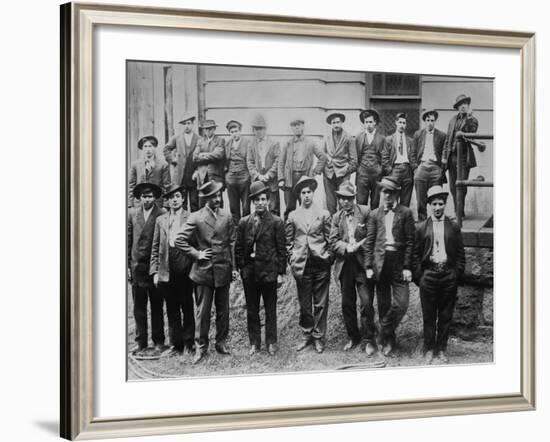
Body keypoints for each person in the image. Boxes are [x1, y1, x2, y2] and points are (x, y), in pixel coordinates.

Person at [175, 181, 238, 364]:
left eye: (219, 196)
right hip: (203, 272)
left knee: (223, 311)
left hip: (223, 270)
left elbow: (232, 243)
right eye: (213, 197)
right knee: (202, 312)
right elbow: (179, 240)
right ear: (206, 198)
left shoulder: (226, 216)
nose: (217, 199)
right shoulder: (196, 217)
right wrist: (197, 254)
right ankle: (201, 347)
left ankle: (221, 343)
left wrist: (233, 268)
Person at [414, 186, 465, 364]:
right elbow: (415, 254)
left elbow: (460, 254)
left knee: (445, 315)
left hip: (448, 275)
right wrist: (419, 277)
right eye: (434, 204)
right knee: (429, 315)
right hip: (428, 275)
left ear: (445, 204)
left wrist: (456, 274)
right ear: (429, 205)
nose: (437, 207)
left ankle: (441, 349)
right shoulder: (421, 228)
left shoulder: (453, 227)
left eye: (440, 203)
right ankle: (429, 349)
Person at [365, 176, 415, 356]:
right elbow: (369, 242)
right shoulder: (374, 214)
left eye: (391, 192)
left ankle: (382, 330)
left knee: (402, 303)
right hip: (380, 264)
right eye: (384, 191)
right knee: (384, 304)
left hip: (399, 263)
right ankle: (389, 341)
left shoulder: (406, 213)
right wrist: (369, 266)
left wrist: (408, 266)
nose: (387, 195)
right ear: (380, 193)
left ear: (397, 194)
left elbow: (410, 242)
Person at [235, 181, 286, 356]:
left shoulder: (277, 222)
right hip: (250, 275)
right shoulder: (244, 222)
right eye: (257, 200)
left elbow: (281, 250)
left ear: (268, 200)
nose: (260, 203)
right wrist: (243, 269)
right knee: (252, 309)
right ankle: (254, 342)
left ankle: (271, 342)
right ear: (252, 202)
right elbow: (239, 249)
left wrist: (280, 273)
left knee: (270, 309)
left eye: (263, 199)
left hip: (269, 273)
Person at [285, 176, 333, 353]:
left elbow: (330, 239)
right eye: (303, 192)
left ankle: (319, 337)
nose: (306, 195)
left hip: (320, 264)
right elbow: (288, 241)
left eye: (309, 192)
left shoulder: (324, 214)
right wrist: (292, 258)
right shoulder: (293, 216)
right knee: (305, 304)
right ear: (299, 195)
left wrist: (328, 257)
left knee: (320, 303)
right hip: (302, 265)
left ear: (313, 193)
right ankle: (306, 335)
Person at [329, 181, 377, 355]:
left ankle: (368, 339)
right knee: (347, 304)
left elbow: (372, 235)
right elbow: (332, 242)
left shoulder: (365, 212)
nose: (345, 202)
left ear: (353, 198)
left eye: (348, 198)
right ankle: (353, 337)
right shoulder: (336, 217)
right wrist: (346, 247)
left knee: (366, 303)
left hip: (362, 265)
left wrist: (361, 245)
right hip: (345, 265)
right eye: (342, 198)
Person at [150, 184, 195, 357]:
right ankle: (176, 344)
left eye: (177, 196)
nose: (174, 200)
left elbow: (195, 244)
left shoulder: (191, 217)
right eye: (171, 198)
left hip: (184, 266)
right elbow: (155, 247)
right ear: (167, 201)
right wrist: (155, 272)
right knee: (171, 307)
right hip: (166, 267)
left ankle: (189, 343)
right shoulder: (161, 220)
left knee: (187, 305)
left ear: (183, 199)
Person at [127, 183, 167, 356]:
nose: (147, 199)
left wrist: (159, 268)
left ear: (155, 197)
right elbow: (127, 241)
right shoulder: (132, 214)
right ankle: (141, 341)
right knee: (138, 308)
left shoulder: (162, 214)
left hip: (153, 268)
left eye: (150, 196)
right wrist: (127, 266)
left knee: (157, 306)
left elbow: (163, 243)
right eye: (144, 196)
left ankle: (159, 341)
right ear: (140, 198)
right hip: (137, 267)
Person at [443, 94, 483, 219]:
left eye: (465, 103)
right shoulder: (452, 120)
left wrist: (469, 119)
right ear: (457, 107)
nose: (463, 106)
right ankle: (458, 212)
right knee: (452, 186)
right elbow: (447, 139)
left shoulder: (473, 120)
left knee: (461, 186)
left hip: (464, 157)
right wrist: (444, 156)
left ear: (468, 106)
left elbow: (472, 133)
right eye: (460, 104)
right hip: (452, 156)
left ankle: (459, 213)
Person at [278, 119, 326, 218]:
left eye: (298, 125)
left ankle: (304, 231)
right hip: (290, 179)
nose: (296, 128)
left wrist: (315, 172)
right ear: (292, 128)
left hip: (305, 179)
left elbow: (323, 157)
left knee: (305, 206)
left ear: (303, 126)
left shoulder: (310, 143)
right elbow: (281, 162)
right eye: (294, 125)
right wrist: (281, 179)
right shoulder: (287, 143)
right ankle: (289, 231)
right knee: (289, 208)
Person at [413, 110, 447, 220]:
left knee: (436, 197)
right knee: (421, 200)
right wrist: (415, 168)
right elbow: (412, 153)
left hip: (435, 168)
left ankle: (436, 221)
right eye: (428, 120)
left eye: (432, 120)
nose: (430, 123)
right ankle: (422, 223)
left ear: (435, 121)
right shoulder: (418, 134)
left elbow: (445, 153)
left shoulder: (441, 135)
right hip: (422, 167)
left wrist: (442, 169)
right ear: (424, 121)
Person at [320, 112, 357, 215]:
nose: (336, 125)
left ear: (341, 123)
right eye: (333, 123)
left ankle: (343, 226)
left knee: (344, 202)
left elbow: (354, 161)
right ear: (331, 124)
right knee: (330, 204)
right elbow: (321, 155)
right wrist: (324, 168)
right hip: (328, 173)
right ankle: (333, 227)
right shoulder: (326, 137)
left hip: (343, 175)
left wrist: (346, 171)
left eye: (338, 122)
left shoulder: (349, 137)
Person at [163, 113, 200, 212]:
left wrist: (197, 171)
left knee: (194, 202)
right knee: (182, 202)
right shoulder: (177, 138)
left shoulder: (199, 139)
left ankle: (193, 225)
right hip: (180, 176)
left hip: (193, 176)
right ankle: (182, 225)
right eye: (184, 124)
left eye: (188, 123)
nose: (186, 126)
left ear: (192, 124)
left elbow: (202, 158)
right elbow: (166, 149)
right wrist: (172, 159)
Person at [247, 115, 281, 215]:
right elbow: (249, 162)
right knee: (259, 207)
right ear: (253, 130)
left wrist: (269, 174)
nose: (258, 131)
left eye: (261, 129)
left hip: (271, 181)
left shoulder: (274, 143)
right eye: (256, 129)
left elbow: (278, 160)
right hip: (258, 182)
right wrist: (258, 176)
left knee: (273, 208)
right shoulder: (251, 144)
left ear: (265, 129)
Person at [382, 113, 417, 207]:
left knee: (406, 199)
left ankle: (404, 220)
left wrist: (413, 170)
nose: (402, 125)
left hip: (407, 169)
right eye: (400, 122)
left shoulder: (410, 140)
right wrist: (390, 170)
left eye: (404, 123)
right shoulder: (389, 139)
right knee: (393, 198)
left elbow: (413, 156)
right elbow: (384, 157)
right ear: (396, 123)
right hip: (395, 169)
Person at [128, 135, 170, 208]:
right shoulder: (135, 165)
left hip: (157, 203)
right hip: (139, 203)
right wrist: (130, 204)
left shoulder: (163, 165)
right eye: (145, 146)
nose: (148, 149)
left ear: (154, 148)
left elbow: (166, 186)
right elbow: (131, 186)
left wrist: (166, 205)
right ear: (142, 149)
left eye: (150, 146)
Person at [355, 108, 385, 209]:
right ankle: (361, 224)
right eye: (366, 122)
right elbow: (356, 156)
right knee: (361, 202)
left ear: (375, 122)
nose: (368, 124)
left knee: (375, 202)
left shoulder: (382, 139)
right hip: (362, 174)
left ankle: (374, 223)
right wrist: (358, 169)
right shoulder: (358, 138)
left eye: (370, 122)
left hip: (376, 174)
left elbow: (384, 157)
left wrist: (381, 170)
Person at [225, 120, 251, 223]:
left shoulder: (247, 143)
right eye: (232, 132)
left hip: (244, 176)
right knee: (233, 206)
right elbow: (225, 160)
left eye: (236, 131)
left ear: (240, 131)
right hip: (231, 178)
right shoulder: (228, 144)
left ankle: (246, 228)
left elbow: (250, 160)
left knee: (245, 206)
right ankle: (236, 229)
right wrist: (226, 175)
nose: (234, 134)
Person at [193, 119, 226, 202]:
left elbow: (218, 155)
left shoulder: (220, 140)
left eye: (210, 129)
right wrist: (210, 155)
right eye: (206, 129)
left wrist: (203, 154)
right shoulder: (200, 141)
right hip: (202, 176)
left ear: (214, 129)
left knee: (216, 200)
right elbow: (195, 157)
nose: (208, 131)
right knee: (202, 201)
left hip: (215, 175)